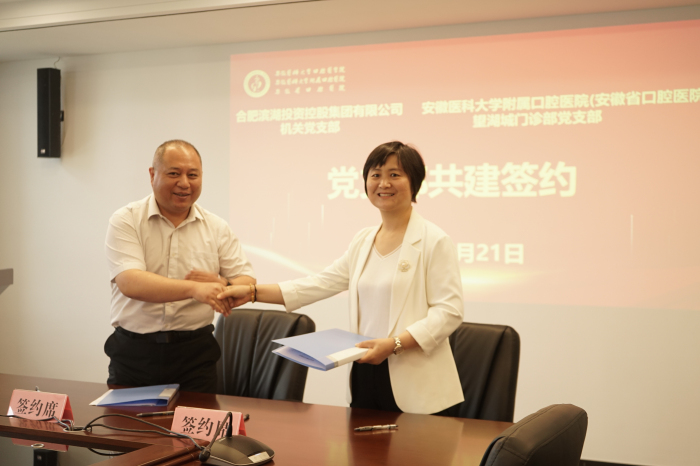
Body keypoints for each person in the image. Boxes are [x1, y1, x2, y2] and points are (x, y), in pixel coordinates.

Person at [218, 141, 464, 414]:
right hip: (365, 369)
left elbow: (449, 312)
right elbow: (320, 283)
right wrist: (252, 293)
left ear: (414, 182)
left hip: (416, 381)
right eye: (375, 174)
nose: (383, 183)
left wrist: (395, 344)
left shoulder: (434, 240)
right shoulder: (363, 240)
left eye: (394, 174)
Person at [104, 139, 255, 393]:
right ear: (152, 175)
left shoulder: (216, 227)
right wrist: (194, 288)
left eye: (193, 175)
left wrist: (225, 284)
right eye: (174, 174)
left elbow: (247, 281)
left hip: (195, 355)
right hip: (134, 355)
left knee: (197, 421)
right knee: (127, 421)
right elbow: (130, 282)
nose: (184, 183)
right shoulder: (126, 220)